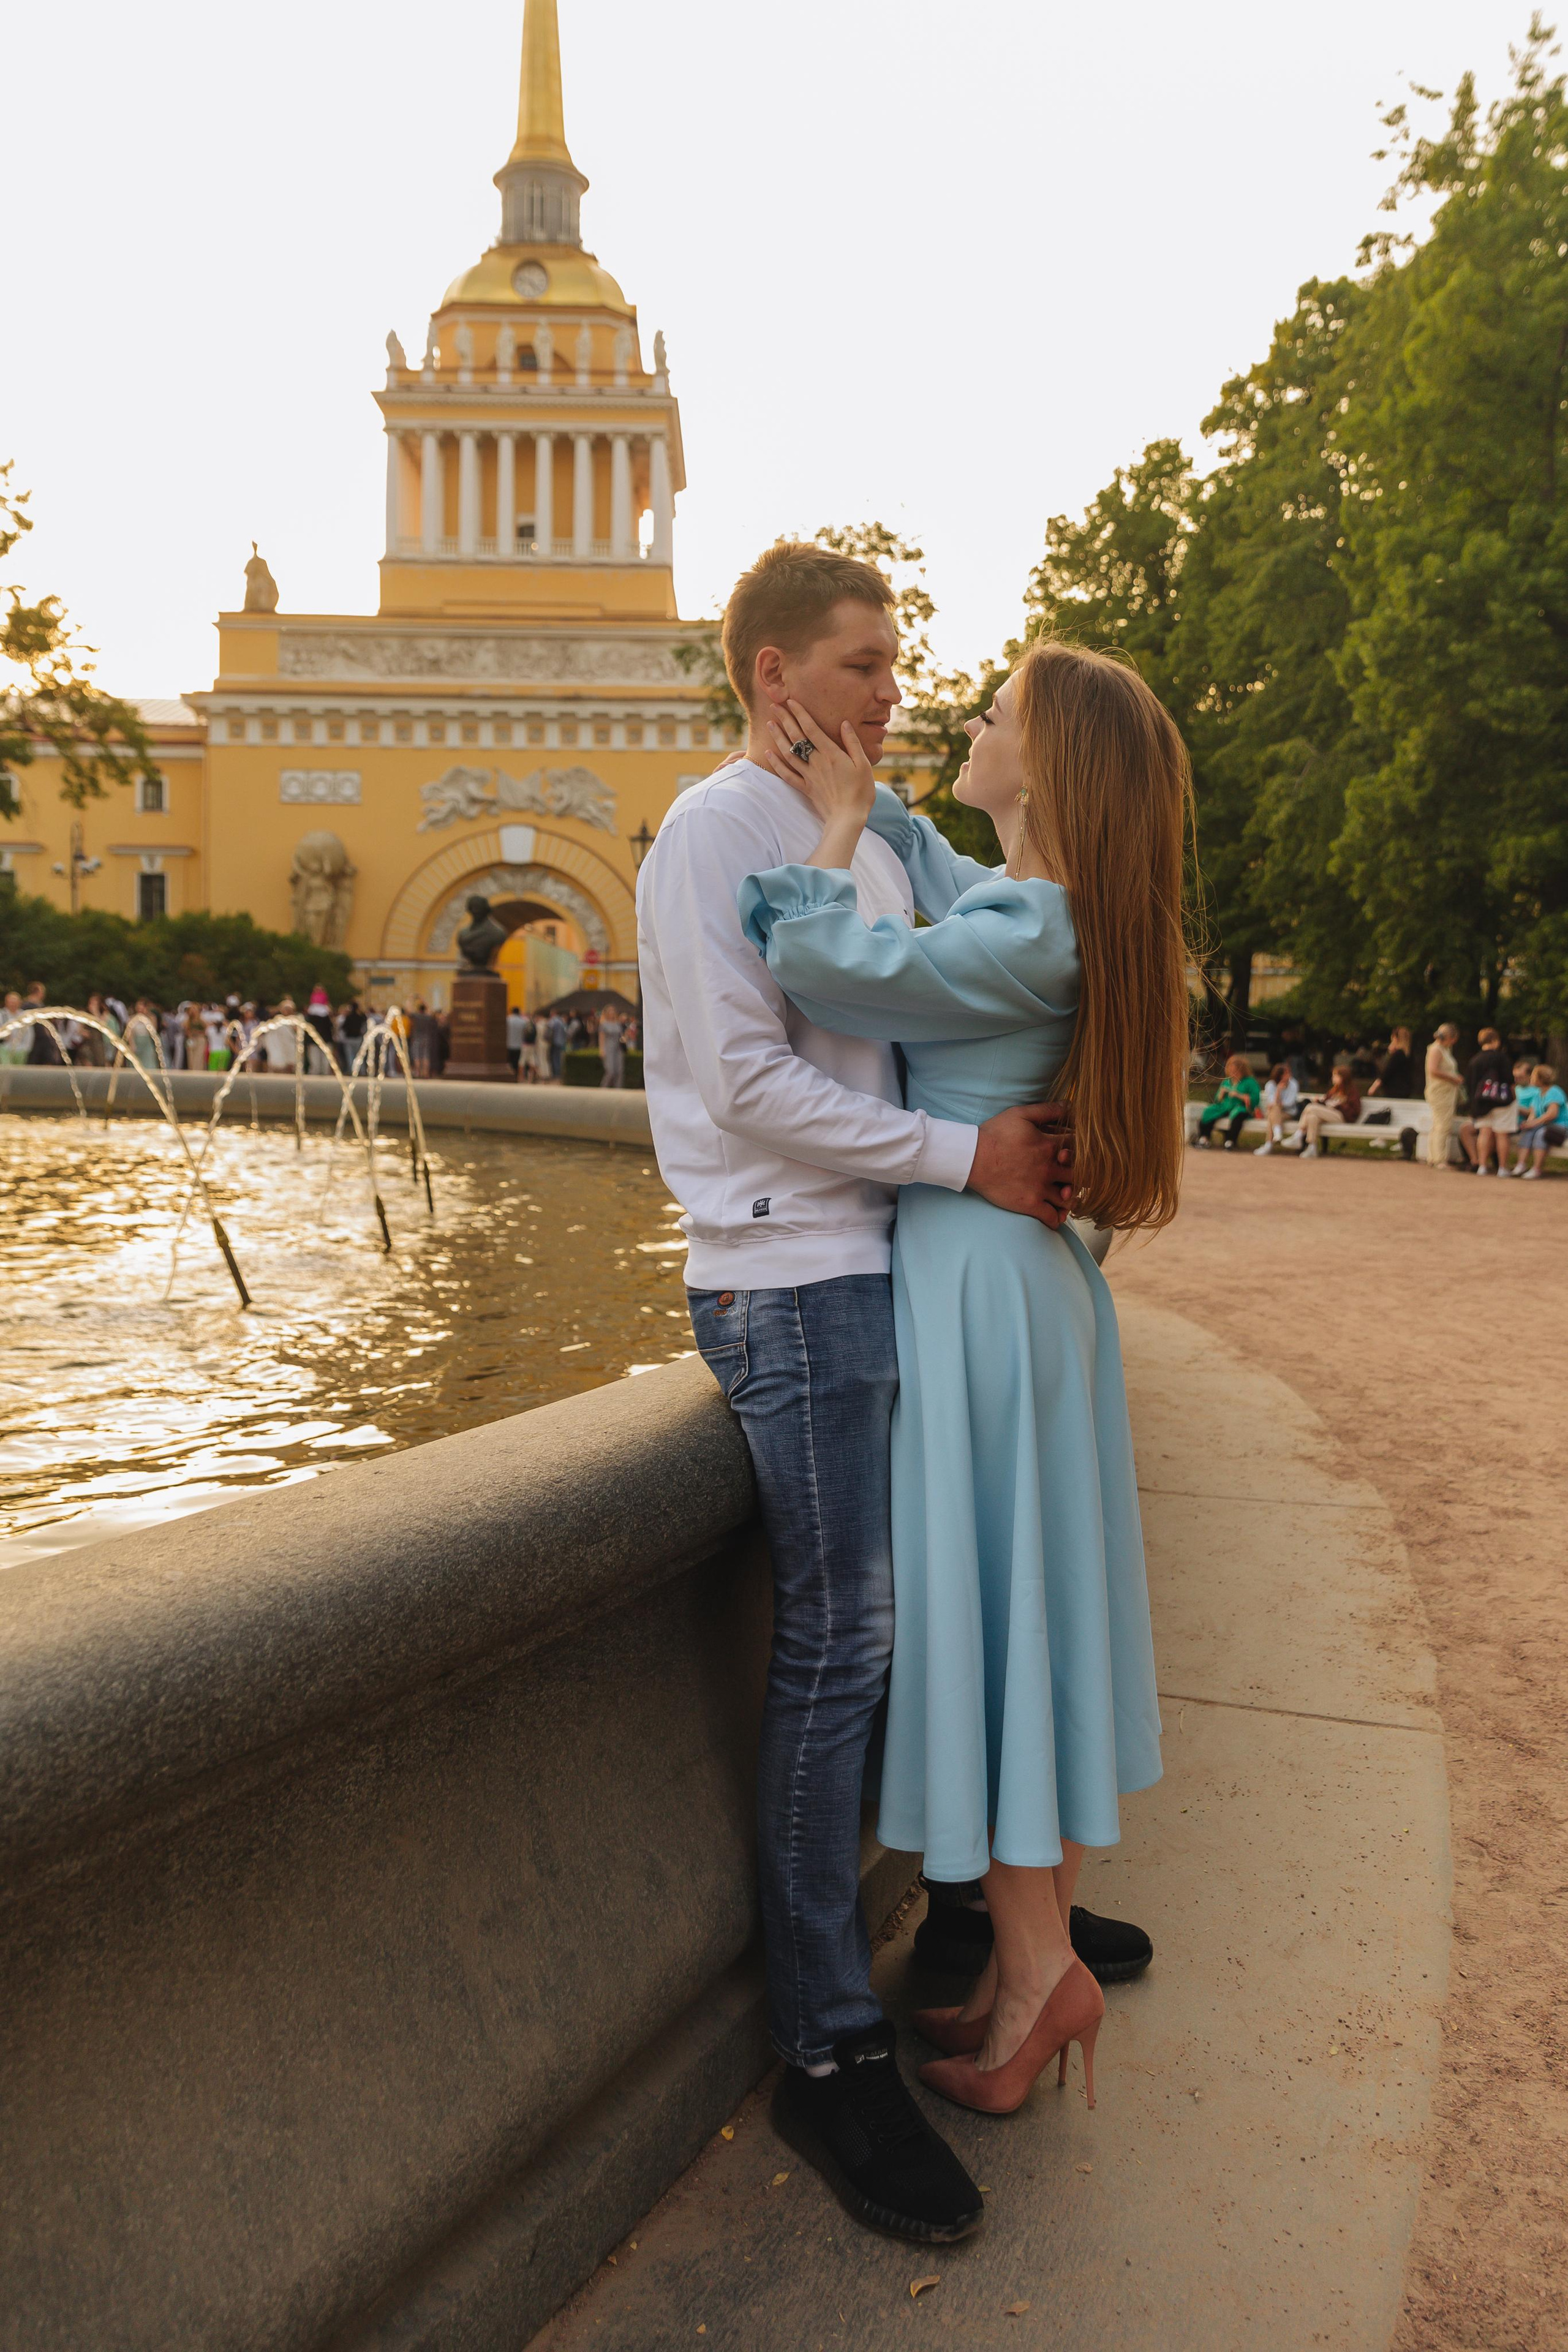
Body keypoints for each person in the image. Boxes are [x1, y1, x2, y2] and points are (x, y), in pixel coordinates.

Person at [639, 541, 1103, 2247]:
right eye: (861, 663)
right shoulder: (713, 832)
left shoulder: (863, 834)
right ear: (776, 675)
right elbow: (753, 1087)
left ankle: (1002, 1920)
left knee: (906, 1633)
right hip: (796, 1281)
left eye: (900, 664)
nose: (892, 690)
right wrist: (965, 1157)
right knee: (844, 1647)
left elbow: (927, 1004)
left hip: (884, 1265)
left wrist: (992, 1148)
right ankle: (827, 2053)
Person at [744, 631, 1183, 2136]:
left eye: (990, 714)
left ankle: (1036, 1969)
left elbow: (830, 962)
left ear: (1043, 764)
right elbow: (942, 869)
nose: (961, 724)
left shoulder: (1023, 932)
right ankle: (1028, 1969)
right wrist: (881, 802)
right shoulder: (1049, 913)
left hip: (973, 1294)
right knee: (1028, 1638)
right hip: (1022, 1298)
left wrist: (830, 832)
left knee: (987, 1642)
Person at [1460, 1027, 1515, 1173]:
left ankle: (1482, 1166)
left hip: (1481, 1103)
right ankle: (1502, 1168)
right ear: (1496, 1041)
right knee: (1501, 1134)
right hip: (1502, 1102)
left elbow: (1469, 1085)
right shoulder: (1501, 1058)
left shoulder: (1474, 1060)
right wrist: (1514, 1097)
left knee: (1485, 1133)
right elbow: (1510, 1081)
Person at [1289, 1061, 1360, 1157]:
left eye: (1335, 1076)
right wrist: (1320, 1103)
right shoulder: (1334, 1090)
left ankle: (1299, 1134)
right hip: (1328, 1115)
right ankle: (1312, 1147)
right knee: (1312, 1117)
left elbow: (1355, 1110)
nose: (1333, 1078)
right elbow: (1325, 1103)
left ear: (1343, 1077)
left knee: (1310, 1108)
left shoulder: (1352, 1091)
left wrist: (1337, 1106)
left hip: (1342, 1117)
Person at [1510, 1063, 1567, 1177]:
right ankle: (1521, 1165)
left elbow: (1552, 1115)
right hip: (1546, 1126)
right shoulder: (1538, 1093)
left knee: (1541, 1134)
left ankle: (1537, 1169)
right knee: (1529, 1131)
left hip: (1561, 1128)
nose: (1531, 1078)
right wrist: (1529, 1123)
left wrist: (1534, 1123)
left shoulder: (1554, 1091)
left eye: (1534, 1076)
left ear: (1541, 1079)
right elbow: (1533, 1112)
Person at [1194, 1053, 1260, 1149]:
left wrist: (1238, 1095)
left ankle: (1230, 1141)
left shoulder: (1250, 1081)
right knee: (1209, 1112)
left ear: (1242, 1070)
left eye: (1236, 1071)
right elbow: (1218, 1100)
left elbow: (1255, 1099)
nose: (1234, 1073)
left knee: (1238, 1115)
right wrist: (1221, 1094)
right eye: (1231, 1070)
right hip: (1225, 1107)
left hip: (1241, 1108)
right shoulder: (1227, 1081)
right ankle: (1204, 1138)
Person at [1423, 1024, 1462, 1166]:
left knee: (1439, 1124)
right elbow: (1433, 1070)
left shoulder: (1444, 1049)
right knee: (1443, 1125)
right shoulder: (1436, 1050)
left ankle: (1433, 1156)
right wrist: (1453, 1078)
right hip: (1440, 1092)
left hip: (1446, 1092)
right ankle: (1439, 1158)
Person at [1254, 1061, 1299, 1155]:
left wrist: (1277, 1104)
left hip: (1288, 1113)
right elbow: (1271, 1103)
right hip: (1275, 1112)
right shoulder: (1270, 1085)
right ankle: (1276, 1133)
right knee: (1274, 1111)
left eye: (1289, 1073)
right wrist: (1278, 1091)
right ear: (1279, 1075)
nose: (1289, 1076)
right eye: (1286, 1074)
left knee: (1273, 1115)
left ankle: (1269, 1144)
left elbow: (1290, 1103)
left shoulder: (1294, 1084)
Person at [1370, 1026, 1415, 1099]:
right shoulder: (1408, 1054)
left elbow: (1387, 1071)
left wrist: (1374, 1087)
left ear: (1396, 1039)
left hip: (1394, 1090)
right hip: (1405, 1089)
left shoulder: (1398, 1054)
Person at [598, 1006, 627, 1088]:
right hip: (608, 1048)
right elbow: (601, 1038)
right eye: (610, 1011)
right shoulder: (604, 1024)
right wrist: (602, 1050)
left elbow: (621, 1035)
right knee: (610, 1071)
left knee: (619, 1071)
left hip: (618, 1049)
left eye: (613, 1011)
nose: (612, 1013)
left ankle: (618, 1089)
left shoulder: (618, 1024)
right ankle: (604, 1088)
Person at [0, 990, 31, 1065]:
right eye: (11, 1002)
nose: (13, 1004)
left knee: (19, 1072)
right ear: (6, 1002)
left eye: (15, 1002)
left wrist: (26, 1048)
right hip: (5, 1048)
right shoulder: (2, 1014)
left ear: (20, 1003)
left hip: (21, 1049)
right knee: (6, 1070)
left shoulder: (24, 1015)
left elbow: (29, 1034)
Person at [505, 1002, 526, 1079]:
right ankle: (515, 1076)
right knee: (516, 1061)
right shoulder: (523, 1021)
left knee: (509, 1061)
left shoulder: (508, 1020)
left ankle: (510, 1075)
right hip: (519, 1044)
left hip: (509, 1043)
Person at [546, 1011, 567, 1082]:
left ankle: (555, 1074)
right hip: (561, 1042)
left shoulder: (553, 1021)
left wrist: (548, 1039)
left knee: (554, 1058)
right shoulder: (562, 1021)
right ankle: (559, 1073)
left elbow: (549, 1030)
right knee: (559, 1058)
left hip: (555, 1042)